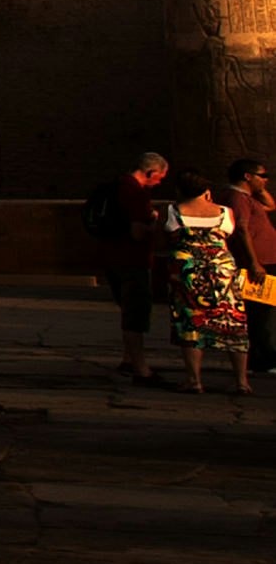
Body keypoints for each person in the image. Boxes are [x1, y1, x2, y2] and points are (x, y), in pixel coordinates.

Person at [85, 149, 174, 379]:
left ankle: (128, 359)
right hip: (132, 259)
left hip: (110, 255)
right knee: (136, 313)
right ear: (151, 172)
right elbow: (137, 232)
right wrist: (155, 223)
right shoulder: (135, 193)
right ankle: (140, 366)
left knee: (127, 308)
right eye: (160, 177)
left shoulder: (114, 186)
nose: (159, 182)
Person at [162, 174, 251, 397]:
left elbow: (162, 236)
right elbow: (230, 233)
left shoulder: (172, 211)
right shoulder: (224, 212)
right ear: (206, 190)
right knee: (233, 321)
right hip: (222, 274)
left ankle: (194, 380)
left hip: (187, 274)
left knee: (190, 322)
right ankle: (242, 381)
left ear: (179, 191)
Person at [230, 159, 276, 383]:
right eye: (262, 175)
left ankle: (262, 356)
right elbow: (242, 228)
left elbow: (271, 205)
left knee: (265, 312)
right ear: (247, 176)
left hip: (267, 261)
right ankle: (262, 359)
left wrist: (261, 186)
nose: (265, 179)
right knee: (260, 314)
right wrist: (254, 262)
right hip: (259, 264)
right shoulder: (238, 198)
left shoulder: (248, 197)